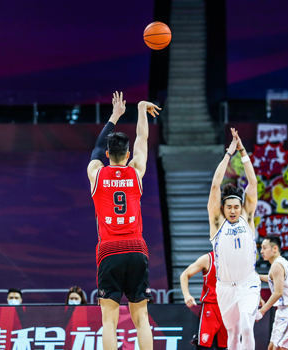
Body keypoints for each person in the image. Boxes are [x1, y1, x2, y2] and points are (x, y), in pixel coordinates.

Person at [87, 91, 160, 350]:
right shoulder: (136, 171)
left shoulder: (96, 173)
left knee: (109, 320)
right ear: (127, 154)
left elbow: (96, 147)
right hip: (136, 248)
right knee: (141, 318)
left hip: (108, 250)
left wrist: (115, 116)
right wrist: (140, 109)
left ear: (107, 154)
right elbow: (143, 138)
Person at [207, 128, 260, 350]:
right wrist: (228, 154)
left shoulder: (247, 217)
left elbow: (253, 182)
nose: (233, 211)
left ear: (241, 207)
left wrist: (242, 151)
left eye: (236, 207)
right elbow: (215, 185)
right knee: (233, 333)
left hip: (249, 283)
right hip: (225, 287)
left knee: (247, 326)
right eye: (229, 207)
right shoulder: (217, 222)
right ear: (223, 208)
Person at [258, 236, 288, 350]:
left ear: (275, 249)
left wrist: (262, 310)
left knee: (278, 348)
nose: (261, 251)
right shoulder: (280, 262)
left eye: (264, 248)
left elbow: (278, 292)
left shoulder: (277, 265)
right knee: (271, 347)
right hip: (283, 311)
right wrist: (256, 277)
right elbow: (271, 278)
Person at [180, 252, 227, 350]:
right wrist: (186, 295)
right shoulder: (208, 258)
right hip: (211, 307)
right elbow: (185, 274)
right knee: (204, 347)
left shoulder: (236, 259)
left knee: (225, 347)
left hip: (228, 308)